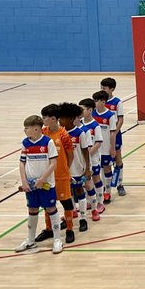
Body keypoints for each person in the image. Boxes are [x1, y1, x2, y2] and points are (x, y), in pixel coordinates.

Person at [15, 115, 65, 255]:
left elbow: (53, 163)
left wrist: (42, 179)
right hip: (31, 184)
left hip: (46, 184)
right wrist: (24, 181)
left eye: (27, 128)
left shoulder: (48, 142)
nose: (25, 130)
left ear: (36, 129)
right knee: (32, 209)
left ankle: (57, 239)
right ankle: (30, 240)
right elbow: (22, 162)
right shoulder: (25, 143)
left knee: (50, 208)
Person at [36, 105, 76, 246]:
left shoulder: (64, 135)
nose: (43, 120)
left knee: (67, 203)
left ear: (53, 119)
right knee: (48, 204)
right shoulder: (43, 132)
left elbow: (70, 155)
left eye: (44, 117)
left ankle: (70, 229)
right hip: (47, 176)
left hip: (61, 176)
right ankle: (49, 229)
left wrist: (65, 169)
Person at [60, 102, 93, 233]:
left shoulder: (80, 133)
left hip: (78, 168)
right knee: (66, 195)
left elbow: (85, 152)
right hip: (63, 170)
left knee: (79, 192)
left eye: (62, 118)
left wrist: (87, 169)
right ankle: (70, 216)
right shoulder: (59, 133)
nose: (60, 121)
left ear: (70, 118)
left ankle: (83, 218)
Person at [100, 77, 128, 198]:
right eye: (101, 87)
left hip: (115, 135)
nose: (102, 90)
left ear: (112, 89)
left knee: (118, 159)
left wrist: (114, 132)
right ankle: (105, 187)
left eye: (104, 88)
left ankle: (120, 184)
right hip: (102, 137)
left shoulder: (117, 102)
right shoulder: (99, 102)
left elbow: (121, 120)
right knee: (103, 162)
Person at [78, 98, 103, 220]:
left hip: (93, 159)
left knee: (96, 179)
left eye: (82, 109)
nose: (80, 111)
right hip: (83, 160)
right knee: (85, 182)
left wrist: (87, 154)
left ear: (90, 110)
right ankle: (89, 202)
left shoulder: (95, 126)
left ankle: (100, 202)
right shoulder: (80, 124)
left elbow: (98, 143)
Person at [92, 90, 117, 205]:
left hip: (106, 147)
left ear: (103, 102)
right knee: (96, 171)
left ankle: (108, 191)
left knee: (106, 168)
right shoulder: (92, 114)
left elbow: (113, 133)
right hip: (95, 149)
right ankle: (100, 191)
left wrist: (112, 148)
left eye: (97, 101)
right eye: (95, 101)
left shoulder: (110, 115)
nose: (95, 103)